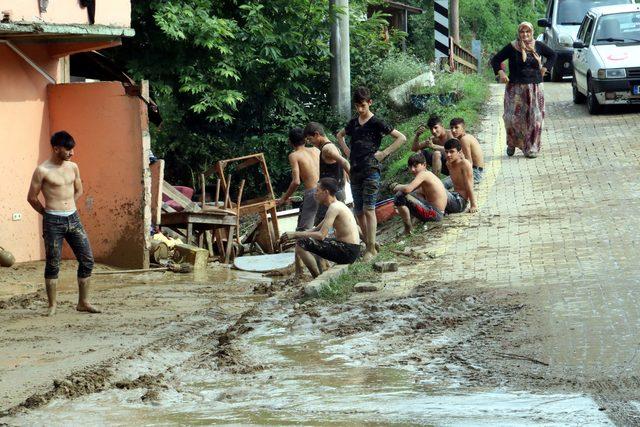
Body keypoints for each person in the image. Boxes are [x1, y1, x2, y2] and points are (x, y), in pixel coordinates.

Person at [26, 131, 99, 316]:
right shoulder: (42, 170)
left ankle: (83, 302)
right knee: (53, 263)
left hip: (73, 219)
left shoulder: (73, 167)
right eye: (68, 149)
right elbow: (32, 198)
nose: (71, 153)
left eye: (72, 149)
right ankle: (52, 306)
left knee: (87, 259)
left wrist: (70, 205)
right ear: (56, 148)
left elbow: (79, 189)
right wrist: (47, 213)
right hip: (53, 221)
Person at [336, 87, 407, 261]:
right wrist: (346, 151)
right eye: (357, 106)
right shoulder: (353, 123)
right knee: (359, 211)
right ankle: (371, 243)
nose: (360, 110)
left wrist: (384, 153)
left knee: (369, 209)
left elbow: (401, 138)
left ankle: (370, 248)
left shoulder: (377, 122)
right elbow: (339, 135)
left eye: (363, 106)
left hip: (371, 170)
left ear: (369, 103)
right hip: (355, 171)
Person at [491, 21, 557, 158]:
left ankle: (532, 147)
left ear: (532, 32)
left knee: (535, 118)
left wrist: (545, 68)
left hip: (534, 88)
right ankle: (512, 143)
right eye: (522, 31)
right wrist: (501, 73)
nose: (525, 34)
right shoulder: (512, 47)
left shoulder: (538, 46)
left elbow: (553, 55)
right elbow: (496, 60)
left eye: (528, 31)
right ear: (518, 33)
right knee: (511, 118)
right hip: (515, 88)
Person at [281, 178, 361, 278]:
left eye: (317, 191)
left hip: (347, 251)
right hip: (351, 249)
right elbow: (316, 230)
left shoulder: (334, 208)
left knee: (301, 243)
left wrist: (296, 234)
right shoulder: (337, 205)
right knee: (301, 240)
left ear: (326, 192)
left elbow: (321, 235)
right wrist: (292, 235)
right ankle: (319, 273)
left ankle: (317, 277)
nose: (315, 194)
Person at [302, 122, 350, 225]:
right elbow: (342, 164)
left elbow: (345, 162)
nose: (310, 143)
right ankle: (368, 240)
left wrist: (355, 179)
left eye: (310, 139)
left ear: (316, 134)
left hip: (330, 194)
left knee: (321, 223)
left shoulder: (327, 149)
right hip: (336, 190)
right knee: (343, 221)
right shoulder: (333, 146)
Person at [276, 127, 320, 231]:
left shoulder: (294, 155)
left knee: (303, 232)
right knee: (321, 226)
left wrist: (284, 198)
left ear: (290, 142)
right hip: (325, 189)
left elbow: (296, 182)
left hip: (313, 193)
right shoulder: (316, 150)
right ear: (305, 139)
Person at [393, 153, 448, 234]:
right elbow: (414, 191)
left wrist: (396, 186)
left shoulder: (423, 174)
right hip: (436, 212)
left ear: (424, 165)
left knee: (399, 196)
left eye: (415, 166)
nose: (412, 169)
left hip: (435, 214)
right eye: (410, 167)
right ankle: (412, 222)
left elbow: (407, 189)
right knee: (410, 195)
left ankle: (408, 229)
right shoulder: (427, 174)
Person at [445, 117, 485, 189]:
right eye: (452, 128)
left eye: (456, 127)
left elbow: (469, 162)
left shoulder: (464, 139)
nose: (453, 130)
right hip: (476, 171)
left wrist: (467, 181)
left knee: (443, 184)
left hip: (475, 173)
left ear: (463, 127)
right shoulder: (465, 137)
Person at [444, 138, 478, 214]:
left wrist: (473, 205)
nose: (448, 155)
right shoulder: (448, 163)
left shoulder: (464, 164)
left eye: (452, 152)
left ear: (459, 152)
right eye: (446, 152)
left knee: (437, 188)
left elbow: (469, 185)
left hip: (460, 202)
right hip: (454, 196)